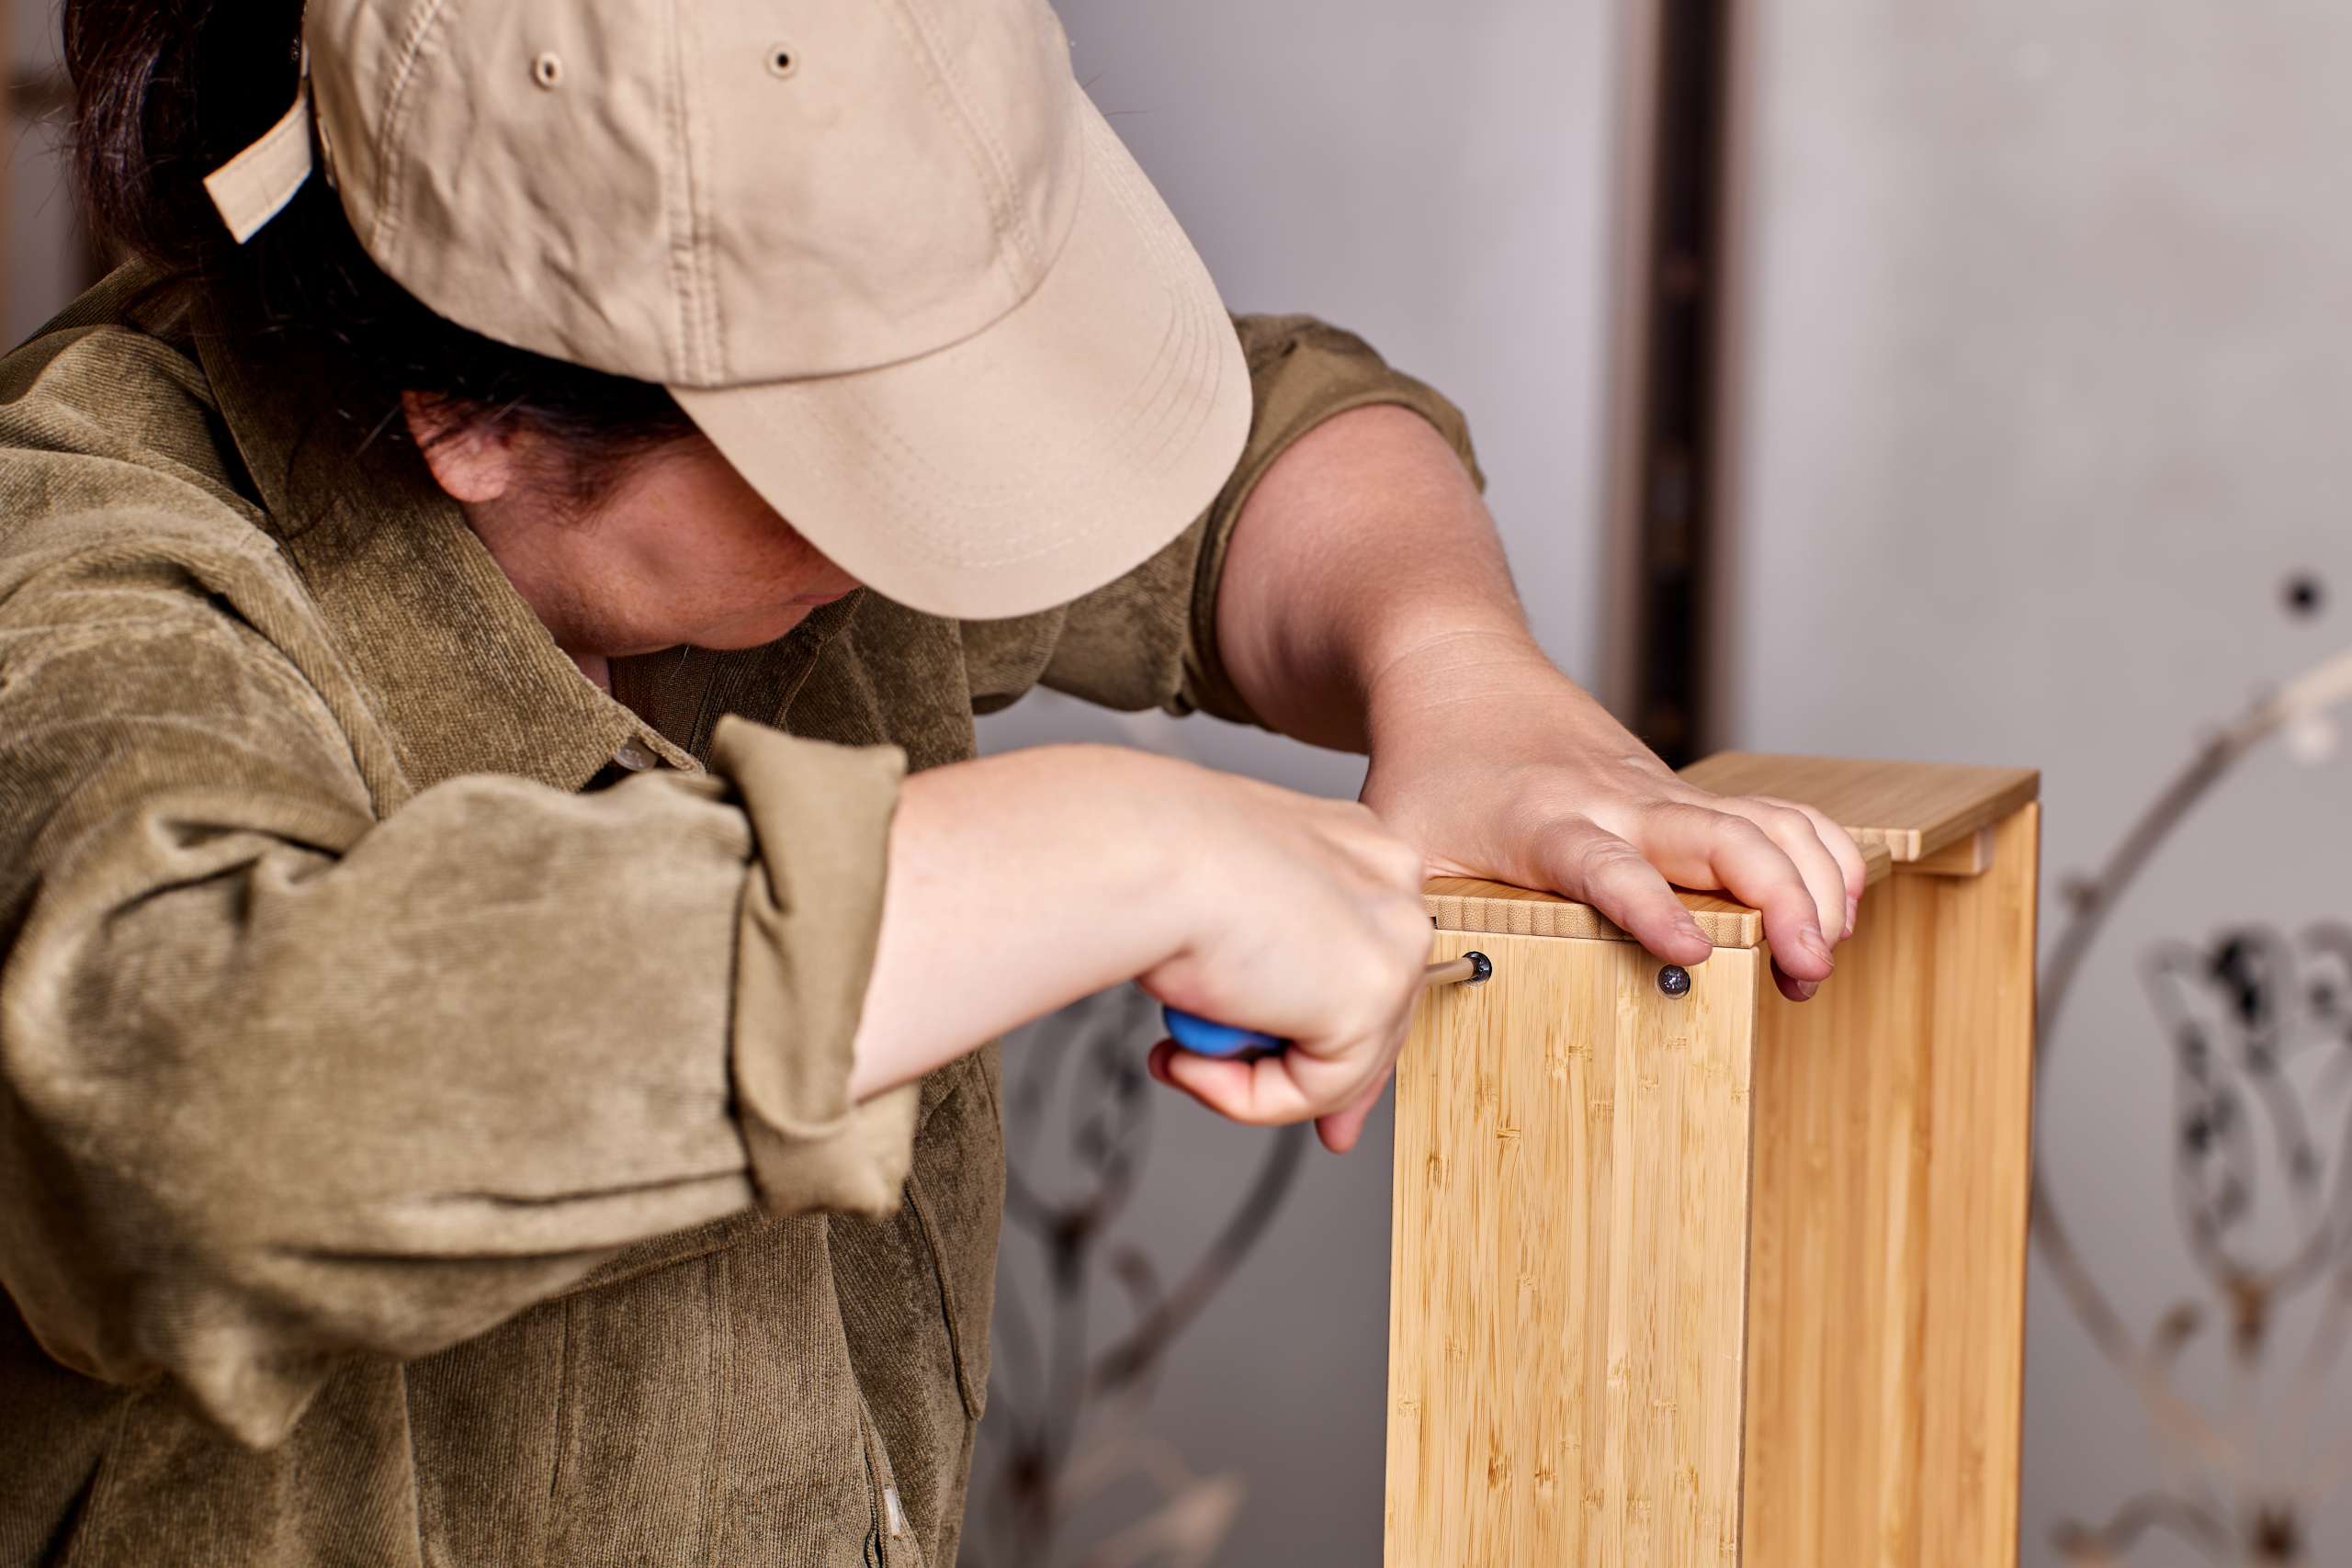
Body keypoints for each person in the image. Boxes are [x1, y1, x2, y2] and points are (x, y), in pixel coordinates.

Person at [0, 2, 1867, 1563]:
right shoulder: (83, 561)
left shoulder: (715, 502)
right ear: (469, 416)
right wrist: (1103, 842)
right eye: (853, 455)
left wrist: (1470, 683)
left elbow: (1264, 442)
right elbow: (194, 1104)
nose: (931, 523)